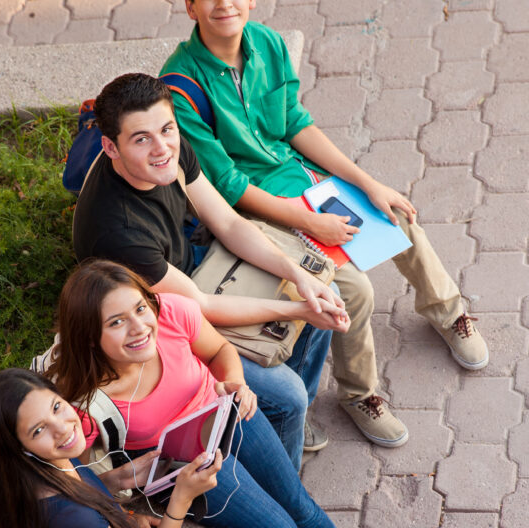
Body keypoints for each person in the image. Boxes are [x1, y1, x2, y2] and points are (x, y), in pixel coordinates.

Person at [160, 0, 489, 449]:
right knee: (353, 288)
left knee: (396, 217)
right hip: (259, 210)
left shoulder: (266, 43)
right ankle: (360, 394)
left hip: (301, 181)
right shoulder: (181, 87)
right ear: (190, 6)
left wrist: (367, 182)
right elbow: (228, 187)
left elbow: (295, 124)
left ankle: (447, 311)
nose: (222, 3)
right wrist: (311, 224)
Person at [72, 72, 350, 469]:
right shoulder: (116, 232)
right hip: (158, 321)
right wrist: (297, 309)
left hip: (196, 265)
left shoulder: (170, 149)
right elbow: (197, 307)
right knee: (289, 394)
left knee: (321, 290)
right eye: (141, 139)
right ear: (110, 147)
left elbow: (229, 223)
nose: (161, 148)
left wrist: (300, 278)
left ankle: (283, 417)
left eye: (166, 129)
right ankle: (283, 461)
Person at [44, 259, 337, 528]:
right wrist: (128, 506)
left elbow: (220, 350)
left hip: (227, 413)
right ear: (90, 338)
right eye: (116, 322)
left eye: (140, 308)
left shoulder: (170, 311)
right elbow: (79, 480)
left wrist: (235, 381)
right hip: (183, 464)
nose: (139, 327)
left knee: (300, 506)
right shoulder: (85, 400)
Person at [0, 367, 219, 528]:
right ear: (19, 446)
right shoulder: (75, 519)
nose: (62, 428)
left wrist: (124, 479)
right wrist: (181, 500)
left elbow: (79, 487)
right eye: (38, 430)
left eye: (56, 407)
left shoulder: (47, 463)